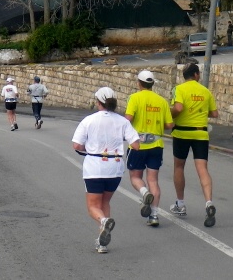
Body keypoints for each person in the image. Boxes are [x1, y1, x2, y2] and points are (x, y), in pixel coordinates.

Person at [72, 87, 140, 253]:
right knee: (105, 202)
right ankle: (102, 242)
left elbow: (76, 145)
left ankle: (103, 222)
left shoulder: (89, 120)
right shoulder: (123, 121)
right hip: (115, 166)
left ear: (98, 102)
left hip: (95, 166)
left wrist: (88, 149)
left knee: (93, 207)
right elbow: (136, 144)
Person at [169, 63, 219, 227]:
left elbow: (178, 107)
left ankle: (180, 204)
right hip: (200, 133)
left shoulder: (179, 89)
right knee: (202, 169)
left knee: (179, 167)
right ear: (196, 75)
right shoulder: (205, 91)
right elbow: (214, 113)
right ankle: (209, 202)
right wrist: (200, 110)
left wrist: (170, 116)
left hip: (182, 132)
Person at [124, 70, 174, 227]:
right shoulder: (162, 101)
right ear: (152, 84)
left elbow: (128, 119)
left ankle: (144, 193)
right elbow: (169, 125)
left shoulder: (134, 98)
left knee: (135, 177)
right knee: (153, 180)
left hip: (138, 144)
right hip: (156, 146)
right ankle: (154, 216)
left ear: (139, 83)